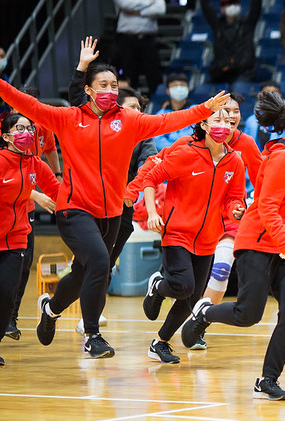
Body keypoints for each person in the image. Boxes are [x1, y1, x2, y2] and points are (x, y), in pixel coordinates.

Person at [0, 62, 231, 359]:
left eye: (114, 86)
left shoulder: (129, 120)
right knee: (98, 261)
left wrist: (203, 109)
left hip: (110, 214)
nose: (110, 90)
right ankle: (93, 335)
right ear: (88, 90)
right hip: (74, 209)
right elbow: (25, 102)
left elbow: (167, 121)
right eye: (103, 85)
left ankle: (51, 308)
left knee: (86, 272)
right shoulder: (67, 118)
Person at [180, 92, 285, 399]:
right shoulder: (283, 156)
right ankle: (204, 313)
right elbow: (267, 207)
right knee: (248, 315)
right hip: (258, 243)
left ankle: (267, 380)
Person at [140, 108, 246, 364]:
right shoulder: (186, 153)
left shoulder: (235, 161)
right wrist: (153, 212)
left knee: (193, 299)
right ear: (205, 125)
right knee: (184, 285)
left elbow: (234, 198)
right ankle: (158, 286)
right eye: (217, 120)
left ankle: (160, 343)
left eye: (228, 122)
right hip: (177, 233)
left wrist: (237, 211)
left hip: (209, 238)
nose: (223, 126)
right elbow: (151, 180)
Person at [67, 37, 157, 336]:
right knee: (98, 262)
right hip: (85, 204)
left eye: (137, 108)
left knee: (99, 265)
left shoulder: (141, 132)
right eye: (128, 106)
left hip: (121, 208)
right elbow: (77, 101)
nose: (132, 112)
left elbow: (150, 166)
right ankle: (90, 323)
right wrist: (82, 66)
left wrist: (130, 193)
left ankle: (60, 309)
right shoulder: (91, 121)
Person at [190, 93, 263, 349]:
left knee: (221, 270)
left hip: (231, 217)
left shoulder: (248, 144)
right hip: (197, 218)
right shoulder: (192, 143)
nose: (231, 115)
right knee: (186, 282)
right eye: (224, 111)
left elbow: (263, 181)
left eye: (235, 111)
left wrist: (252, 206)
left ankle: (198, 324)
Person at [0, 114, 60, 367]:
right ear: (6, 136)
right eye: (19, 128)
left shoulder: (36, 164)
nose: (26, 132)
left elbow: (59, 191)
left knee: (7, 294)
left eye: (29, 128)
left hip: (16, 239)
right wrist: (32, 193)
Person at [198, 0, 261, 84]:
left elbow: (257, 1)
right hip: (222, 73)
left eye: (234, 3)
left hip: (244, 72)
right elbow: (205, 4)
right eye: (227, 4)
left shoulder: (247, 23)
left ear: (240, 6)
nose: (231, 6)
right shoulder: (217, 24)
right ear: (221, 8)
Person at [113, 0, 165, 94]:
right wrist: (149, 4)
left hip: (149, 39)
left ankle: (158, 108)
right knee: (130, 77)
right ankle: (129, 108)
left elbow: (160, 9)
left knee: (154, 75)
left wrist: (138, 11)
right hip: (127, 40)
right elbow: (124, 4)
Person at [153, 73, 193, 150]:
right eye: (175, 86)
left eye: (182, 85)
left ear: (188, 89)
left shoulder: (195, 110)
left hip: (188, 152)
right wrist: (172, 148)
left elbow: (194, 135)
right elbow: (156, 139)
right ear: (168, 91)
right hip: (165, 154)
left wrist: (171, 138)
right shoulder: (161, 113)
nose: (179, 89)